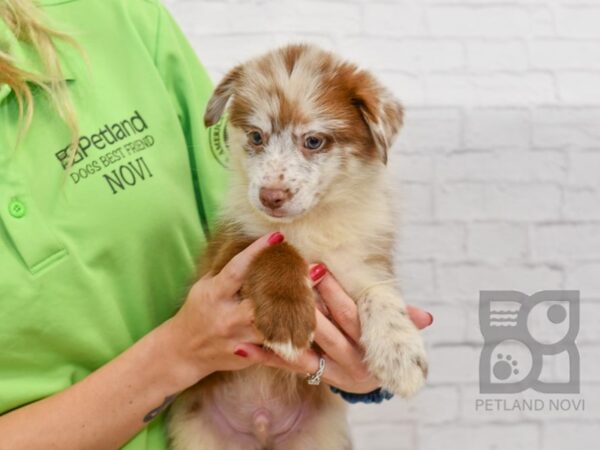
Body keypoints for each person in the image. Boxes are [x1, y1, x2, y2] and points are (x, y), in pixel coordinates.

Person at [0, 0, 434, 449]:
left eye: (312, 142)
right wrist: (181, 350)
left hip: (291, 416)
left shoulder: (120, 16)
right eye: (258, 140)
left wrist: (357, 368)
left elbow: (238, 241)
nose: (274, 183)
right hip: (200, 422)